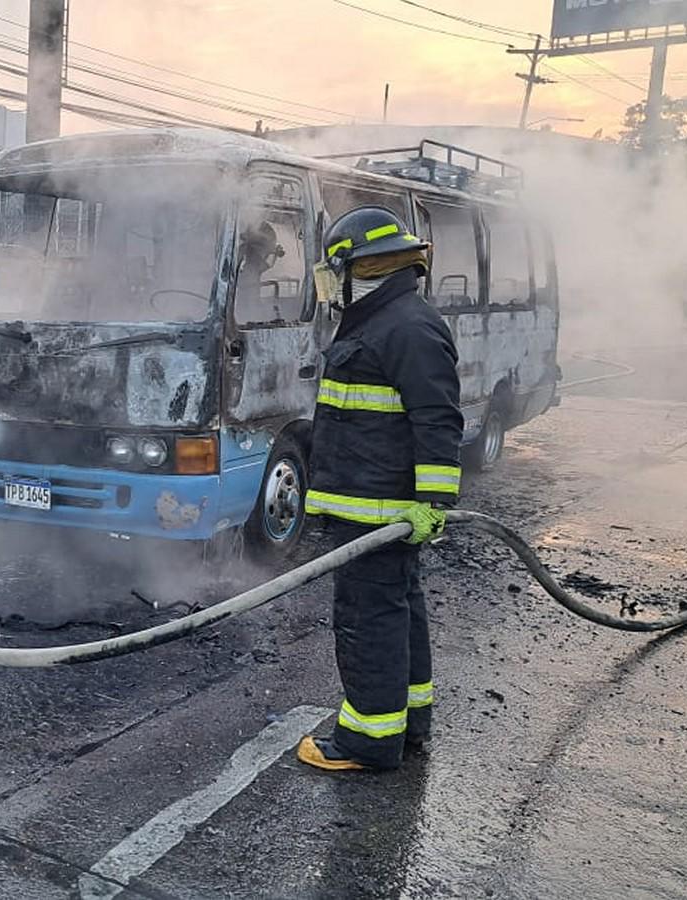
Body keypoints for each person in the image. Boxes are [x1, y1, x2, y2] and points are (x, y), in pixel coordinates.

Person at [298, 207, 463, 771]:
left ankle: (367, 743)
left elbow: (438, 419)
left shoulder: (405, 326)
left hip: (380, 512)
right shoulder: (381, 319)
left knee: (369, 617)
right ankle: (408, 723)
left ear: (358, 268)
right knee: (398, 607)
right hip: (373, 507)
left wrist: (432, 503)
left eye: (332, 271)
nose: (329, 286)